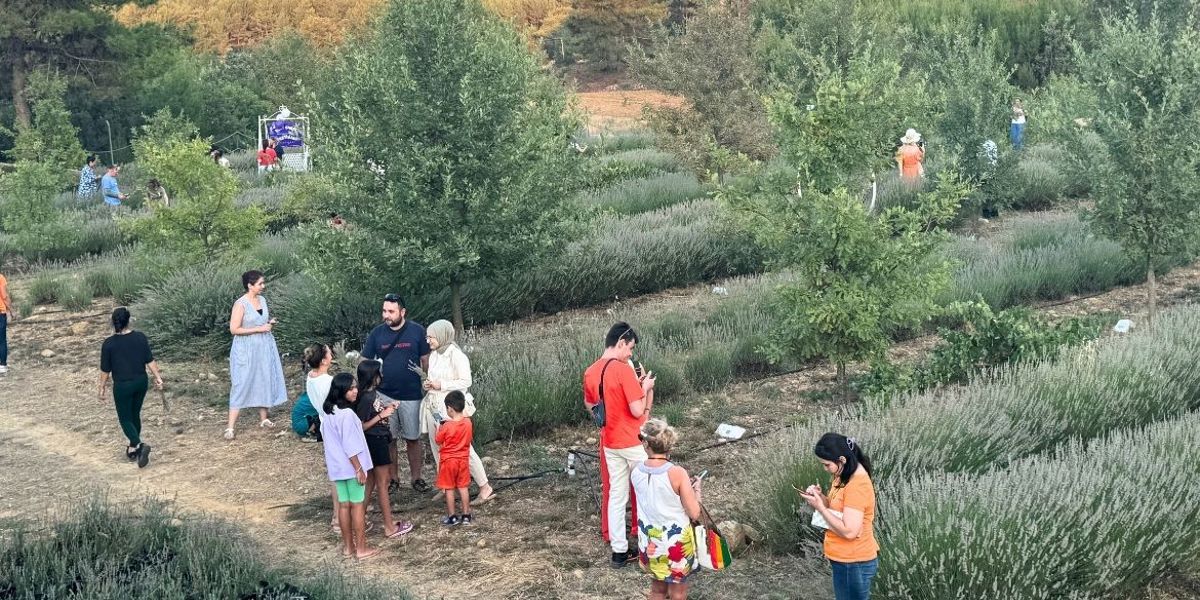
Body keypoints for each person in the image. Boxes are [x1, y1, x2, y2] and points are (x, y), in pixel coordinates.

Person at [583, 321, 657, 568]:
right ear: (621, 342)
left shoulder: (590, 371)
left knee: (617, 495)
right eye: (630, 348)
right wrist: (644, 387)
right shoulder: (623, 369)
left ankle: (619, 551)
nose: (631, 354)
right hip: (631, 441)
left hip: (610, 441)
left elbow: (591, 406)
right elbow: (637, 411)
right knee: (645, 493)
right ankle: (648, 547)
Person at [361, 293, 431, 494]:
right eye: (384, 311)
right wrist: (369, 387)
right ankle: (393, 479)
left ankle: (417, 478)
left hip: (411, 395)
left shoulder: (417, 331)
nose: (386, 315)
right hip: (384, 395)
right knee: (389, 439)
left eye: (391, 311)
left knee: (412, 438)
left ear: (402, 312)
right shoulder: (377, 334)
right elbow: (364, 361)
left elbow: (425, 360)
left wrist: (427, 383)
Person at [798, 433, 879, 600]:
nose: (825, 469)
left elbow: (849, 531)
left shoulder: (857, 484)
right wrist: (820, 498)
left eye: (827, 464)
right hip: (845, 559)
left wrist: (820, 507)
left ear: (841, 459)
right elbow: (839, 509)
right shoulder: (844, 474)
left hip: (854, 561)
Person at [422, 319, 495, 503]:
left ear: (442, 335)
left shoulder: (457, 355)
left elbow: (465, 382)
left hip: (452, 409)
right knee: (438, 447)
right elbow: (434, 379)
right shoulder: (434, 355)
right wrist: (429, 384)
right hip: (435, 407)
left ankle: (484, 486)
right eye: (428, 337)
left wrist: (441, 385)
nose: (428, 340)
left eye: (431, 337)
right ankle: (448, 486)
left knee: (464, 450)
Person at [631, 419, 702, 600]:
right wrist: (696, 491)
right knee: (678, 593)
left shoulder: (635, 470)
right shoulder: (677, 473)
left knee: (657, 590)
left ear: (646, 444)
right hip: (675, 543)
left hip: (650, 542)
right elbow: (694, 513)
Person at [320, 373, 379, 560]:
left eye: (355, 387)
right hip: (351, 467)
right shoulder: (346, 415)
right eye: (351, 388)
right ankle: (361, 548)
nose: (355, 391)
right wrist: (359, 468)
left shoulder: (328, 413)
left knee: (343, 507)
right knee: (357, 506)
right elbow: (350, 445)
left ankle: (348, 547)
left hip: (337, 468)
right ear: (342, 391)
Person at [355, 359, 414, 539]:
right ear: (374, 377)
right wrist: (383, 414)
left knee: (372, 482)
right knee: (383, 483)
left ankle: (360, 520)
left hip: (374, 440)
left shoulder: (368, 394)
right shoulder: (367, 397)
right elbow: (362, 425)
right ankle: (389, 527)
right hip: (376, 441)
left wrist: (387, 409)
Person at [98, 307, 164, 469]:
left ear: (113, 322)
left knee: (125, 418)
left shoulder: (109, 344)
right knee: (134, 414)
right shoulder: (140, 337)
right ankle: (133, 447)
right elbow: (150, 360)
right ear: (129, 320)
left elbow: (105, 370)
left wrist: (101, 388)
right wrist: (158, 377)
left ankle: (139, 445)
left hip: (123, 385)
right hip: (141, 382)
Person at [225, 270, 287, 440]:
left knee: (264, 377)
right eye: (260, 283)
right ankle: (230, 427)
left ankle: (264, 418)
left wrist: (268, 324)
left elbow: (260, 322)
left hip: (264, 346)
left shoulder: (263, 300)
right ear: (249, 285)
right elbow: (234, 329)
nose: (263, 286)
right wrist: (259, 329)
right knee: (241, 382)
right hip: (246, 349)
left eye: (263, 283)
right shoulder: (241, 304)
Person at [435, 391, 473, 526]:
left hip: (448, 462)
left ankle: (452, 516)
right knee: (463, 487)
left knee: (449, 489)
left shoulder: (446, 426)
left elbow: (438, 440)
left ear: (450, 408)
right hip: (463, 460)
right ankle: (466, 514)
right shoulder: (468, 423)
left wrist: (438, 426)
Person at [0, 270, 13, 375]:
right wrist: (10, 310)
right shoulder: (0, 278)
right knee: (2, 340)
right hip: (0, 313)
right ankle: (3, 365)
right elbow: (4, 296)